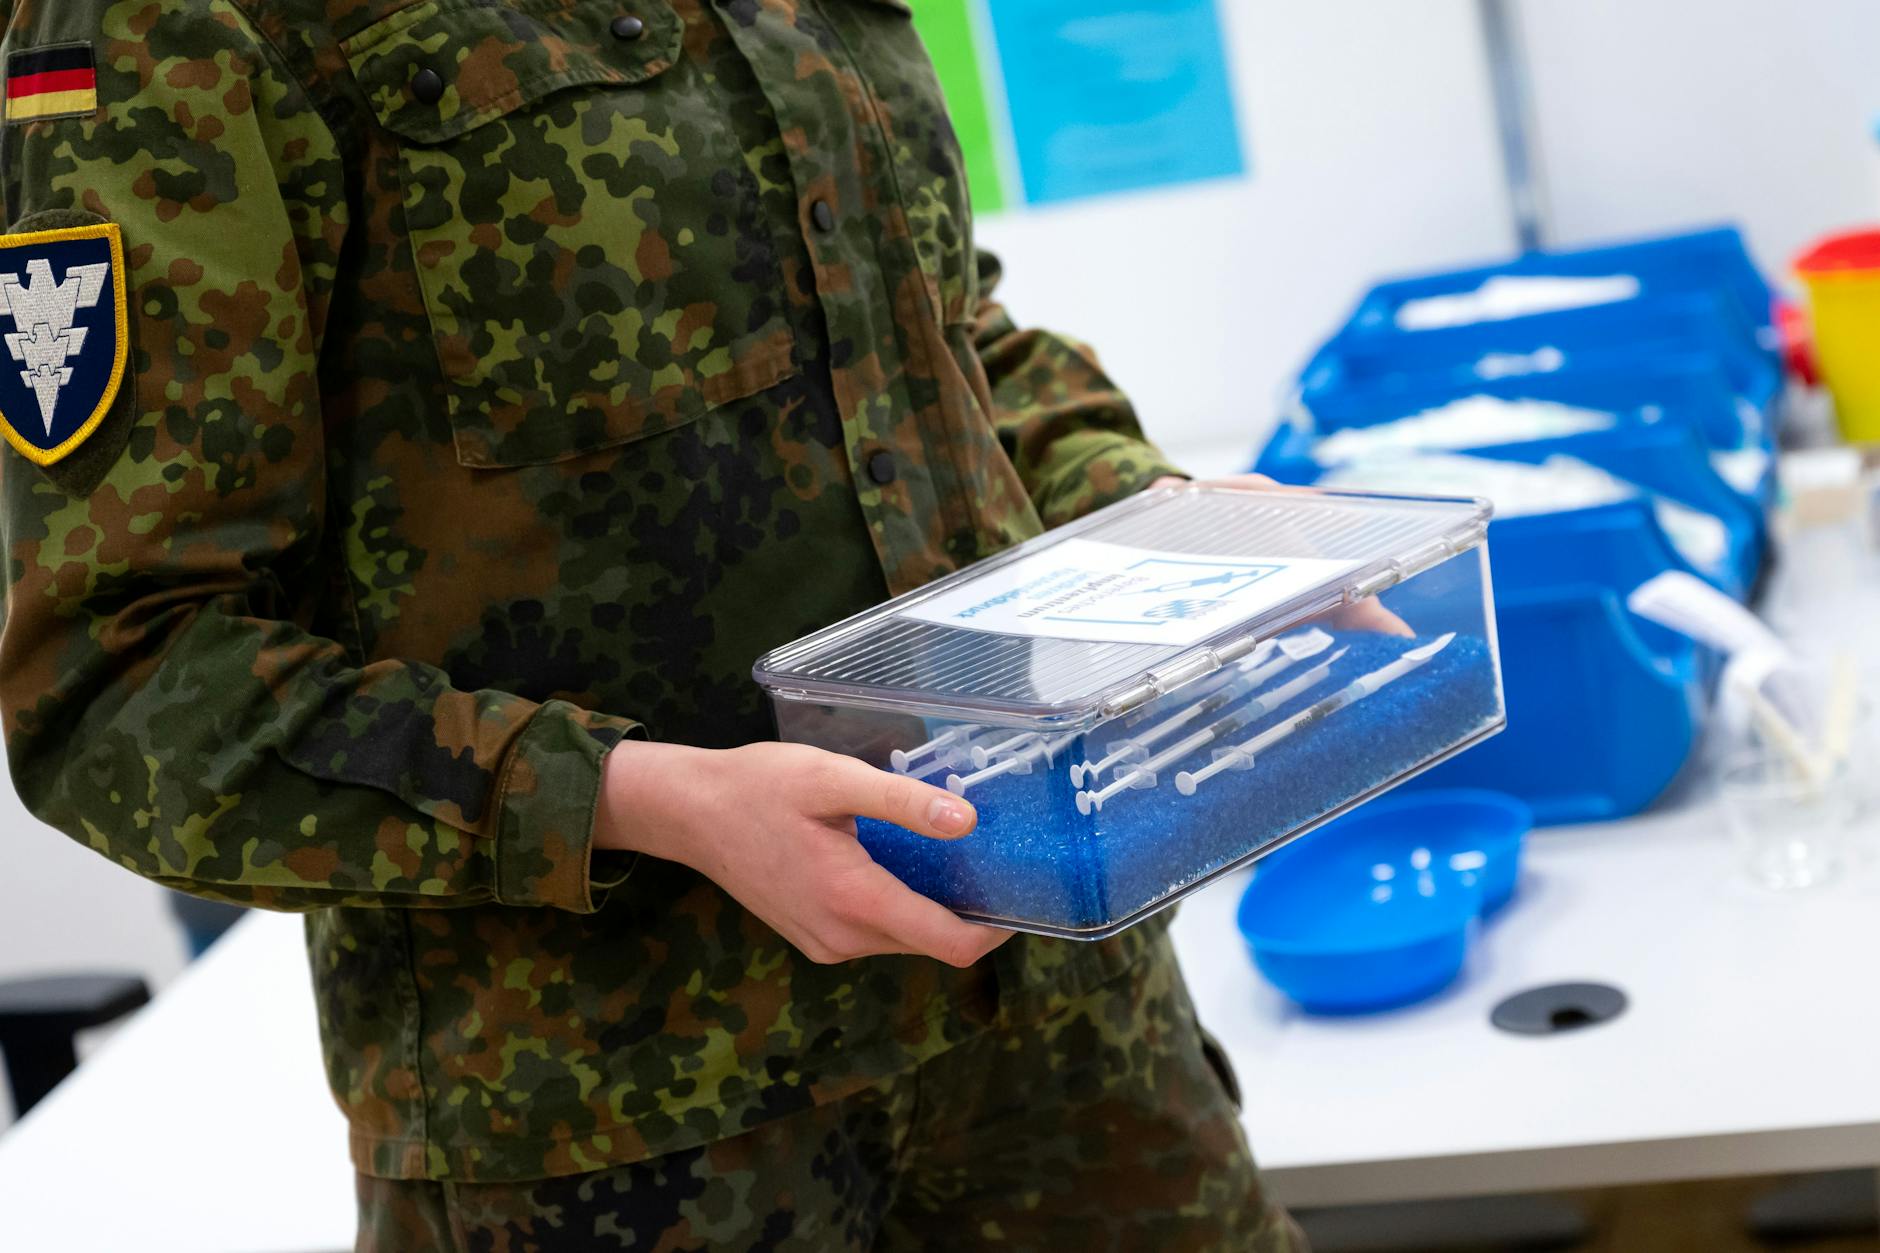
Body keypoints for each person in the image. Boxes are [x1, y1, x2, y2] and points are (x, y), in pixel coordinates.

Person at [0, 1, 1306, 1248]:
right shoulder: (179, 18)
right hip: (628, 1125)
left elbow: (935, 331)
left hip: (1055, 1002)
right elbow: (116, 678)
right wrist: (637, 797)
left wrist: (1148, 512)